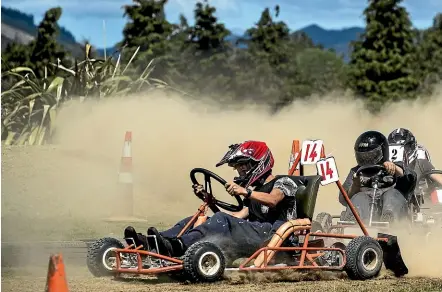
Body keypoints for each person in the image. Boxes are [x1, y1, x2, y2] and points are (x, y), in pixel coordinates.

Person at [123, 140, 300, 258]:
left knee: (222, 221)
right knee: (203, 220)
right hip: (256, 232)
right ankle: (152, 242)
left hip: (276, 236)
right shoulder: (255, 191)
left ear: (258, 163)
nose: (240, 170)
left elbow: (273, 200)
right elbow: (236, 219)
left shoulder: (285, 182)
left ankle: (176, 247)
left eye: (243, 165)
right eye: (237, 167)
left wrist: (245, 192)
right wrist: (209, 201)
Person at [338, 130, 416, 223]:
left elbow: (411, 178)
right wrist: (355, 185)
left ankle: (390, 221)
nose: (367, 159)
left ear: (383, 151)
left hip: (391, 211)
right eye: (364, 156)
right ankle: (353, 222)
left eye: (371, 156)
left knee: (392, 194)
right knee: (359, 197)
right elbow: (343, 199)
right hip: (364, 215)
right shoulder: (356, 172)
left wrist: (394, 168)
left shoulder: (395, 167)